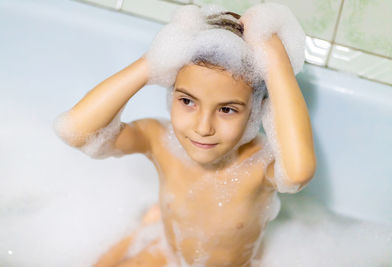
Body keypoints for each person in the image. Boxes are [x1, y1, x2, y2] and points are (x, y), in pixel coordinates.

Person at [53, 3, 316, 266]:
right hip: (168, 251)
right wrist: (150, 64)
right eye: (188, 102)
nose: (203, 127)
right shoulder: (158, 139)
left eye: (226, 109)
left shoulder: (257, 165)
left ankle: (151, 220)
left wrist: (273, 55)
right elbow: (78, 132)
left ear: (255, 112)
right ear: (171, 93)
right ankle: (148, 225)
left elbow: (298, 172)